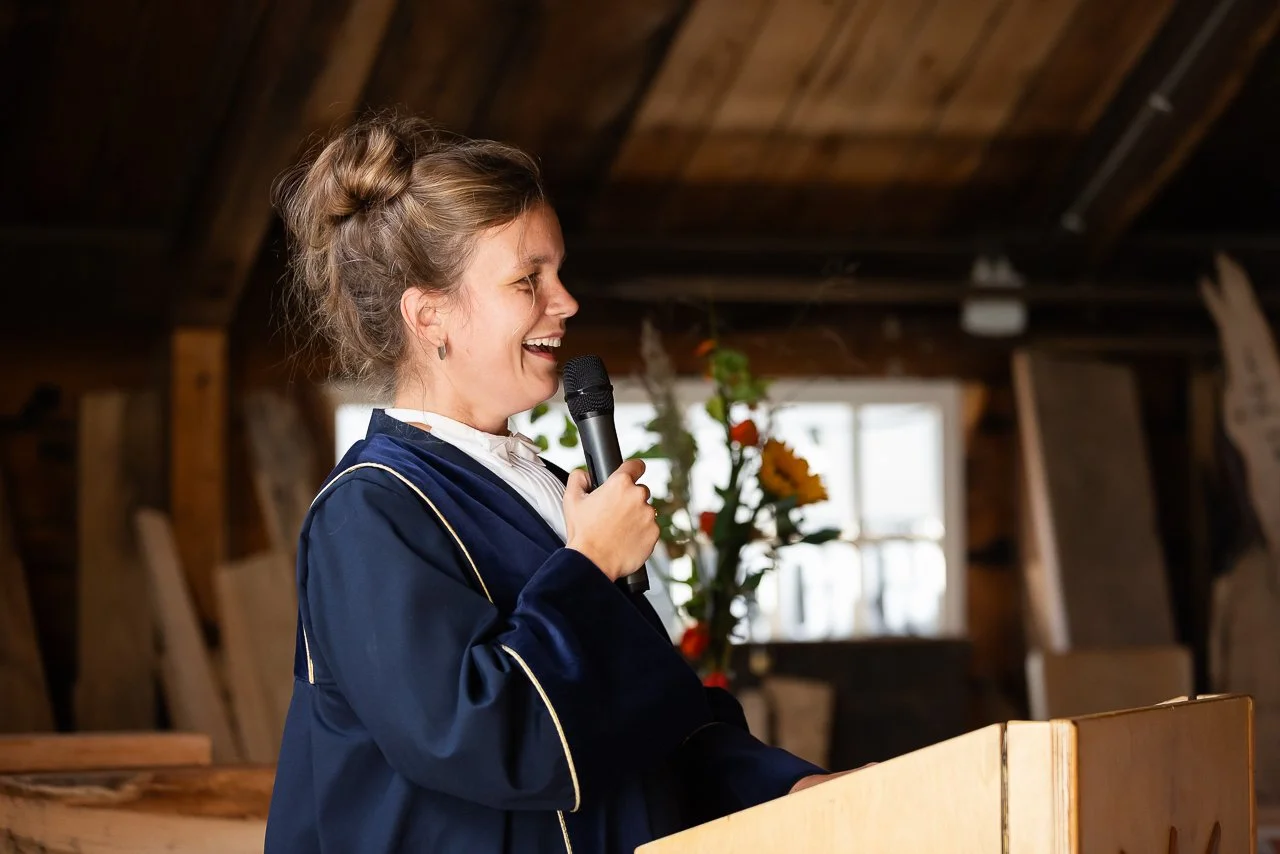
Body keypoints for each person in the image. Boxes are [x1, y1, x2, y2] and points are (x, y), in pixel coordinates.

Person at [264, 113, 848, 854]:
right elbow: (486, 738)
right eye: (526, 280)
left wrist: (785, 787)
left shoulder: (545, 487)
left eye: (559, 273)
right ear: (429, 315)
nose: (565, 302)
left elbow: (651, 718)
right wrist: (590, 567)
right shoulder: (370, 512)